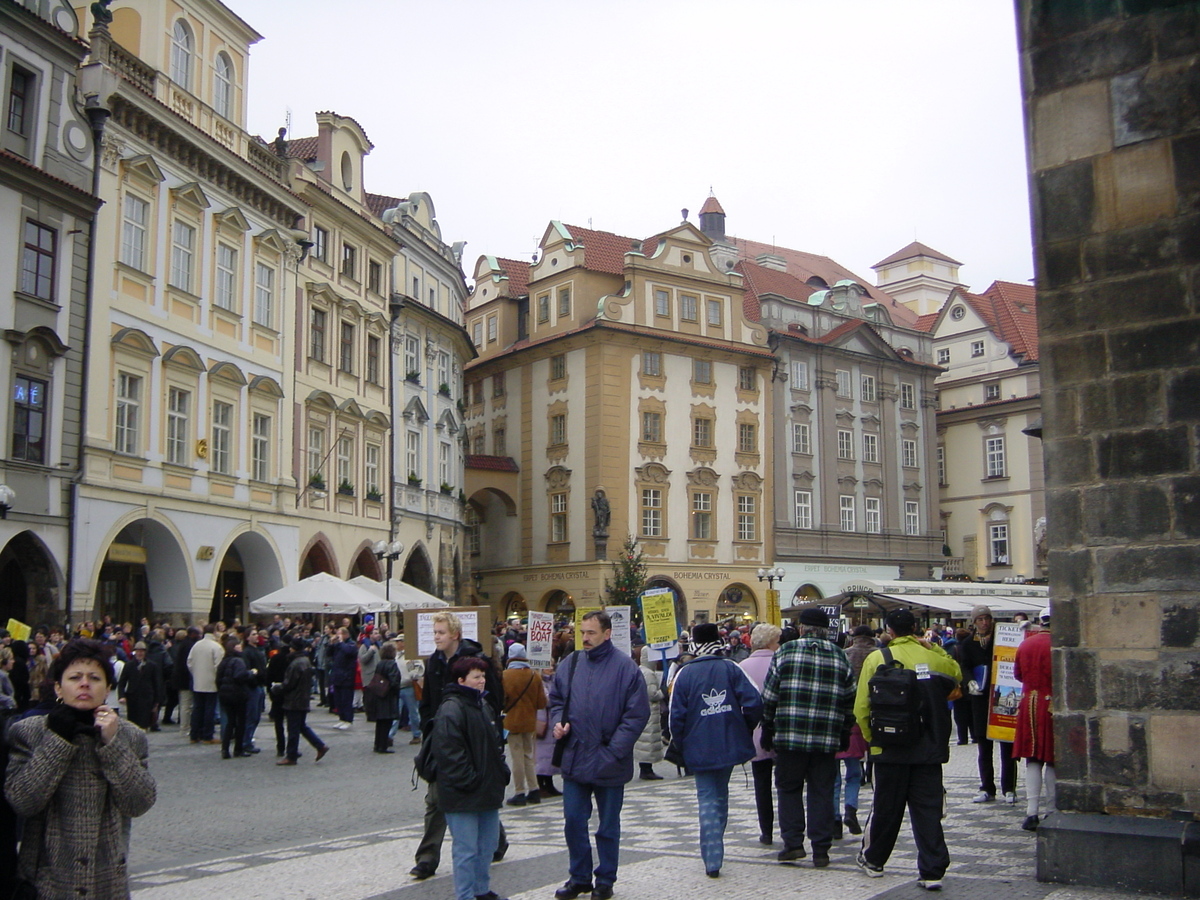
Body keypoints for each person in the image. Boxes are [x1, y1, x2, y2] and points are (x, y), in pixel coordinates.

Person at [5, 638, 157, 898]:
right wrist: (58, 740)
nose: (85, 683)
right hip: (46, 880)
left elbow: (139, 802)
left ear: (107, 687)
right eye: (75, 677)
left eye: (95, 678)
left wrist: (112, 744)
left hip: (107, 880)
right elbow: (22, 801)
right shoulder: (29, 732)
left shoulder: (130, 736)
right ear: (58, 688)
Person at [854, 608, 962, 891]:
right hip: (927, 748)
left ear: (889, 631)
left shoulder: (877, 658)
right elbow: (956, 674)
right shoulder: (932, 657)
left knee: (886, 808)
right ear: (915, 629)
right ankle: (932, 870)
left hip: (888, 747)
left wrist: (873, 740)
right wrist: (934, 647)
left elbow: (862, 706)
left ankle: (875, 860)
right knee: (927, 809)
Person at [549, 610, 650, 900]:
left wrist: (613, 751)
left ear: (607, 634)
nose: (585, 638)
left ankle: (605, 879)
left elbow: (636, 714)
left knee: (607, 826)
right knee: (573, 821)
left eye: (591, 633)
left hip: (608, 760)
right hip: (575, 755)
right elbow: (556, 700)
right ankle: (579, 877)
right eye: (583, 632)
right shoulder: (571, 663)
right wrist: (558, 722)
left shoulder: (625, 668)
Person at [411, 611, 507, 880]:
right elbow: (427, 701)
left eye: (440, 633)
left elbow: (494, 700)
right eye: (434, 633)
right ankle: (427, 857)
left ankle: (496, 841)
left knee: (477, 792)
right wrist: (429, 729)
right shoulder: (434, 663)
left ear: (454, 634)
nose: (436, 637)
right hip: (441, 736)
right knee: (437, 797)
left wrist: (491, 735)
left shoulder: (475, 661)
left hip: (474, 736)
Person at [759, 607, 855, 869]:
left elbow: (769, 695)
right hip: (826, 738)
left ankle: (793, 844)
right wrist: (846, 729)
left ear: (801, 628)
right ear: (825, 630)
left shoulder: (785, 652)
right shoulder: (839, 656)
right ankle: (821, 848)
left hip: (790, 736)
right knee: (822, 791)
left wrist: (768, 725)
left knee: (789, 789)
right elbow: (850, 698)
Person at [670, 622, 762, 877]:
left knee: (707, 797)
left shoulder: (684, 674)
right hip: (729, 742)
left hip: (698, 746)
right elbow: (755, 702)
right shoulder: (730, 668)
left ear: (695, 645)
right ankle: (715, 848)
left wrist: (681, 743)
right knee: (720, 795)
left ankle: (712, 856)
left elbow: (674, 718)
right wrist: (743, 727)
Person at [431, 657, 511, 900]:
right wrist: (470, 780)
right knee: (466, 849)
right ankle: (465, 895)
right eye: (476, 677)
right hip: (462, 793)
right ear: (461, 680)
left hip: (487, 788)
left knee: (487, 847)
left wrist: (500, 772)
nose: (482, 680)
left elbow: (495, 743)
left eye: (483, 676)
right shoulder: (451, 708)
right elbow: (449, 752)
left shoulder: (483, 705)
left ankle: (481, 890)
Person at [959, 605, 1017, 803]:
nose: (984, 622)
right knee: (983, 744)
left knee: (1006, 743)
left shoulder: (1001, 640)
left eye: (987, 619)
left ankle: (1009, 787)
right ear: (974, 622)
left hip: (1000, 694)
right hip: (979, 697)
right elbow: (964, 666)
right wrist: (969, 682)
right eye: (980, 619)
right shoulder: (968, 643)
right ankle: (986, 787)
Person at [739, 622, 781, 845]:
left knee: (761, 784)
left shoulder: (742, 666)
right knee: (785, 783)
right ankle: (788, 827)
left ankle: (766, 830)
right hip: (781, 728)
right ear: (772, 642)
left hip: (754, 730)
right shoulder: (781, 662)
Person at [1012, 607, 1054, 831]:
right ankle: (1052, 809)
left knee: (1033, 758)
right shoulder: (1057, 646)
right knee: (1052, 758)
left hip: (1029, 702)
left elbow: (1018, 674)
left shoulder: (1025, 644)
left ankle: (1031, 812)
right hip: (1052, 703)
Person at [502, 642, 547, 805]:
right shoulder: (535, 675)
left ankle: (520, 792)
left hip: (512, 721)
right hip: (530, 721)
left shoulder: (505, 675)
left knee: (516, 757)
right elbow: (541, 703)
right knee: (528, 755)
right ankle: (534, 789)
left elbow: (502, 701)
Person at [275, 636, 330, 765]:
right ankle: (319, 746)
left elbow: (289, 684)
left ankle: (291, 755)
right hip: (303, 698)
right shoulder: (305, 660)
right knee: (301, 726)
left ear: (293, 648)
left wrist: (277, 687)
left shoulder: (296, 663)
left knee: (293, 728)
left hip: (295, 699)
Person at [216, 634, 255, 758]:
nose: (241, 646)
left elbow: (218, 679)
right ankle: (238, 749)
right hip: (238, 694)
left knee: (230, 722)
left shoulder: (224, 660)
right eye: (238, 645)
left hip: (225, 694)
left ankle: (225, 749)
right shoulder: (239, 660)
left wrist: (221, 690)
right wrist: (250, 673)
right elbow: (239, 676)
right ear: (234, 647)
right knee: (240, 722)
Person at [365, 640, 403, 753]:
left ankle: (377, 744)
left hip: (379, 694)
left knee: (380, 723)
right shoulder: (392, 664)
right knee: (387, 722)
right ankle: (383, 746)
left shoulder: (380, 663)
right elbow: (394, 681)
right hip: (388, 697)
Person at [187, 624, 223, 743]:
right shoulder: (216, 646)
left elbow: (190, 662)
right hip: (211, 682)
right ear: (214, 632)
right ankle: (208, 735)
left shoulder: (196, 645)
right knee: (209, 710)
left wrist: (196, 673)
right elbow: (219, 666)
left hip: (198, 681)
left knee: (197, 709)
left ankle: (194, 734)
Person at [117, 640, 164, 730]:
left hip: (147, 697)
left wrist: (157, 700)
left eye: (142, 651)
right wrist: (121, 696)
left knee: (144, 721)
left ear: (145, 652)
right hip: (132, 697)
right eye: (138, 651)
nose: (140, 653)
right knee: (133, 721)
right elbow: (122, 682)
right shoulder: (129, 665)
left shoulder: (152, 665)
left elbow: (157, 683)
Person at [633, 645, 664, 781]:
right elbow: (652, 694)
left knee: (644, 741)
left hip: (642, 709)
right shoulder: (649, 674)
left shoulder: (639, 670)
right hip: (650, 710)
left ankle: (645, 769)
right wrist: (662, 692)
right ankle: (647, 770)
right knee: (648, 739)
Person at [328, 627, 358, 728]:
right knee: (338, 700)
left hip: (347, 677)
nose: (337, 636)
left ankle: (348, 719)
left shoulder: (351, 644)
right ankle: (341, 718)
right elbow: (328, 654)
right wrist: (331, 644)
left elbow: (349, 651)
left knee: (346, 700)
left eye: (339, 634)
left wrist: (340, 642)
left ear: (345, 635)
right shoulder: (338, 645)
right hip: (337, 676)